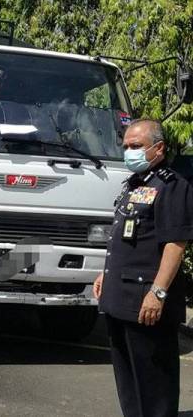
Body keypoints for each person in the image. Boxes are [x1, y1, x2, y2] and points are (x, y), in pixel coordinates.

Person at [93, 119, 193, 417]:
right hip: (120, 301)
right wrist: (105, 274)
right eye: (125, 146)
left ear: (158, 148)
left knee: (155, 391)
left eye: (135, 146)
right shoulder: (135, 184)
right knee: (130, 387)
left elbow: (176, 244)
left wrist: (158, 293)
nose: (128, 152)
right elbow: (129, 240)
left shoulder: (172, 186)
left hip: (147, 304)